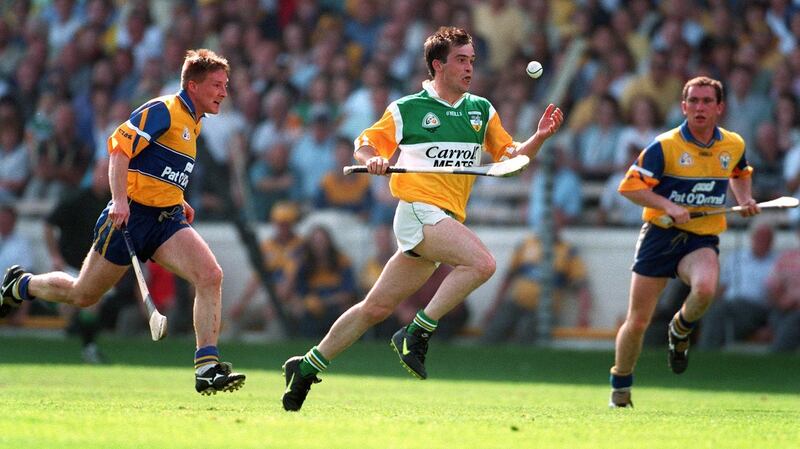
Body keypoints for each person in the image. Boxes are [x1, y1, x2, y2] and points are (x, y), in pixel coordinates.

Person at [281, 26, 564, 411]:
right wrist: (373, 161)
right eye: (461, 60)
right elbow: (364, 145)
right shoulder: (407, 109)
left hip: (442, 219)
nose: (469, 68)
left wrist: (539, 138)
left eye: (472, 61)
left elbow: (510, 163)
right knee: (482, 264)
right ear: (438, 65)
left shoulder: (481, 110)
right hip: (417, 210)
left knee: (374, 309)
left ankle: (307, 365)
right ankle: (417, 331)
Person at [1, 49, 245, 395]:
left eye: (225, 84)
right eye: (217, 85)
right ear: (193, 86)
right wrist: (118, 199)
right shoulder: (164, 110)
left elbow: (159, 169)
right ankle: (21, 284)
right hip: (130, 216)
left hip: (166, 220)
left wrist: (178, 199)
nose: (224, 92)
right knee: (83, 294)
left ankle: (206, 367)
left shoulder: (194, 121)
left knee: (210, 275)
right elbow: (119, 149)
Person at [608, 76, 760, 408]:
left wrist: (745, 199)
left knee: (705, 289)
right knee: (638, 321)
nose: (700, 107)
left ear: (719, 107)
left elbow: (740, 172)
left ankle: (681, 328)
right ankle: (620, 385)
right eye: (693, 101)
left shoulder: (732, 144)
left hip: (701, 237)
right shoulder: (665, 146)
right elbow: (630, 188)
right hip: (659, 236)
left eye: (707, 101)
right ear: (683, 106)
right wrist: (668, 205)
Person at [698, 220, 777, 349]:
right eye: (759, 237)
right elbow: (722, 287)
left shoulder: (777, 262)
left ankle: (707, 352)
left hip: (758, 309)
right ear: (752, 238)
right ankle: (710, 351)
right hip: (730, 306)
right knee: (710, 309)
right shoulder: (736, 257)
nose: (762, 241)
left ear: (772, 241)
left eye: (766, 238)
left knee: (720, 315)